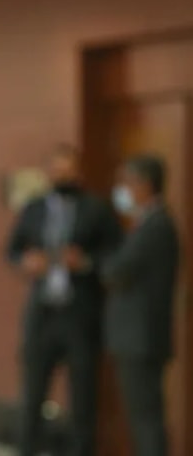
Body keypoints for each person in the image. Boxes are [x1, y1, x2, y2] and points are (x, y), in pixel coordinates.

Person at [5, 144, 122, 456]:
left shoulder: (96, 209)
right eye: (56, 170)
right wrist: (25, 262)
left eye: (68, 170)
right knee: (32, 395)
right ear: (48, 173)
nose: (62, 175)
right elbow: (12, 250)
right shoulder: (34, 208)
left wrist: (84, 263)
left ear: (78, 173)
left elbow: (115, 256)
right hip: (42, 312)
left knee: (83, 396)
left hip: (80, 313)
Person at [103, 154, 179, 456]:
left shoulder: (157, 226)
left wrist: (97, 262)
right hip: (136, 339)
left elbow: (117, 271)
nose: (122, 190)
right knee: (141, 418)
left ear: (145, 185)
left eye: (127, 182)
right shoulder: (144, 223)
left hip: (141, 339)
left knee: (146, 420)